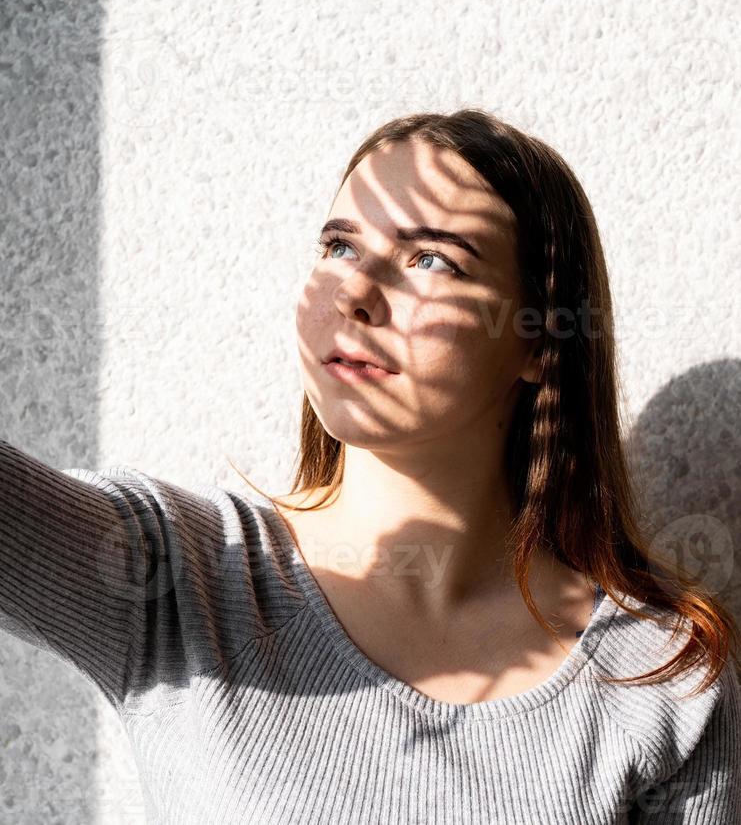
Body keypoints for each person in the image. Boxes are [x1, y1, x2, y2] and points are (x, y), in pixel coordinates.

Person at [1, 108, 739, 824]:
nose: (354, 292)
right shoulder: (175, 573)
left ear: (540, 342)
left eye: (430, 260)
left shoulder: (658, 676)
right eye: (340, 247)